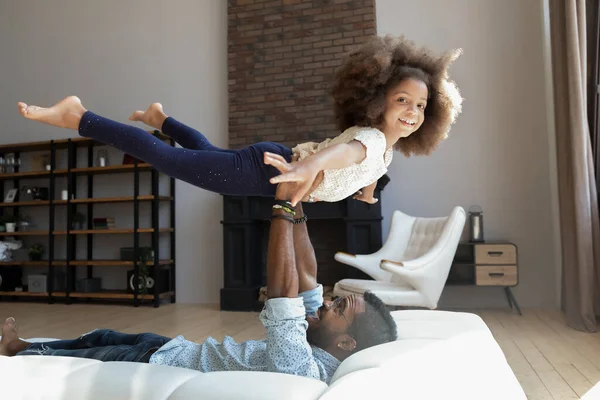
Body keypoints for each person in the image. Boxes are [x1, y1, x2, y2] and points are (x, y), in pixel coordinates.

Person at [0, 182, 398, 384]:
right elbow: (309, 276)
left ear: (347, 343)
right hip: (174, 347)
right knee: (99, 333)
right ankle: (19, 346)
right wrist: (298, 206)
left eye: (339, 309)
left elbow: (284, 292)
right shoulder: (320, 334)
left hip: (157, 364)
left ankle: (15, 358)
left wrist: (279, 204)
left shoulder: (303, 368)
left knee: (86, 358)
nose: (329, 303)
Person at [17, 35, 463, 206]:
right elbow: (338, 154)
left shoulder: (384, 149)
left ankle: (161, 118)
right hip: (272, 171)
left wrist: (366, 191)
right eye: (403, 99)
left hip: (269, 162)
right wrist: (304, 171)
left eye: (420, 107)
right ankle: (79, 115)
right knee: (166, 160)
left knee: (205, 153)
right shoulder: (367, 137)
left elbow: (367, 168)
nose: (412, 111)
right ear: (377, 100)